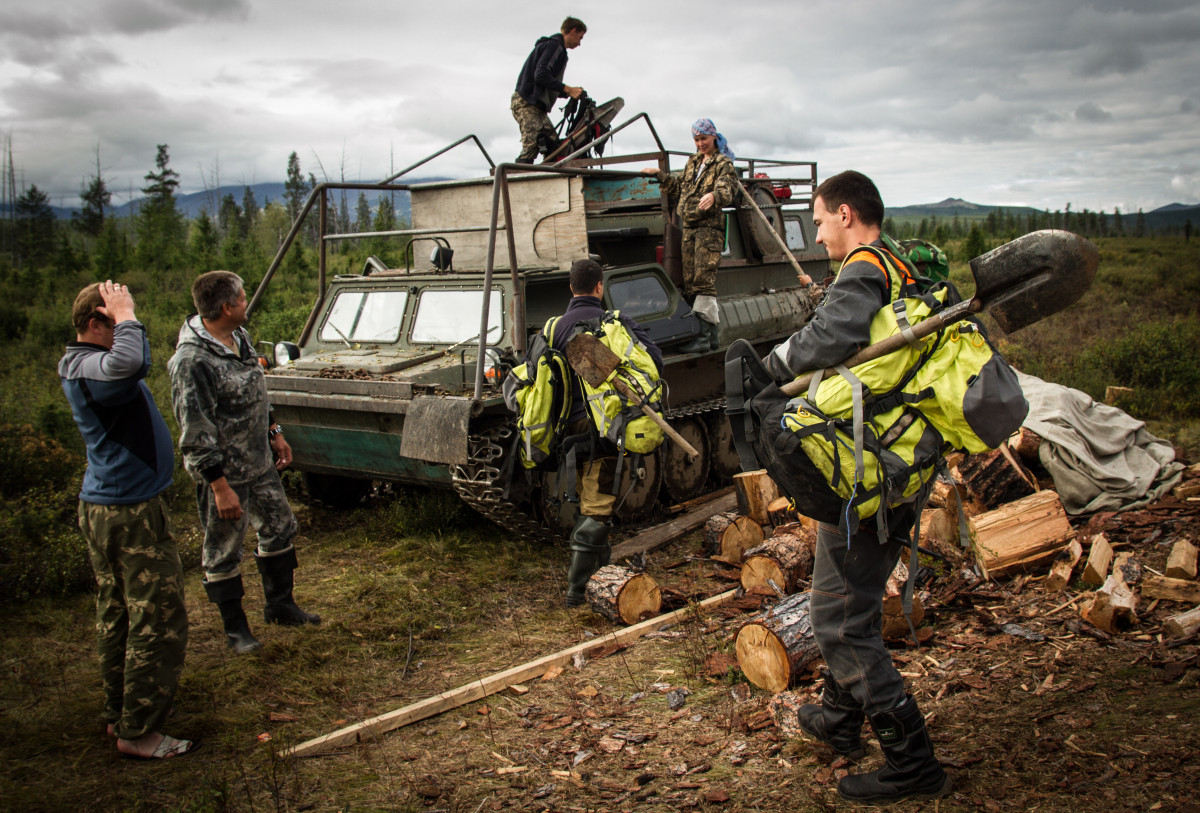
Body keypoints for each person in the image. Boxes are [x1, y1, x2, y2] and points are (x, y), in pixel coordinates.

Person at [763, 171, 952, 803]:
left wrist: (774, 364)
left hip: (875, 473)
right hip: (885, 466)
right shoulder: (899, 265)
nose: (816, 234)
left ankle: (913, 761)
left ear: (846, 213)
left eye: (818, 221)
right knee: (843, 593)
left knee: (839, 622)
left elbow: (833, 337)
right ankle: (840, 719)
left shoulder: (867, 266)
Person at [59, 281, 195, 760]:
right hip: (128, 512)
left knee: (119, 609)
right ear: (96, 324)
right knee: (156, 615)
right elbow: (133, 362)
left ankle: (120, 714)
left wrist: (124, 319)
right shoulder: (90, 367)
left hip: (114, 505)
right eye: (114, 325)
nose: (125, 332)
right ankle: (139, 731)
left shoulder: (83, 365)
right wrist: (127, 313)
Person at [169, 271, 320, 655]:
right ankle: (237, 632)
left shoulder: (238, 338)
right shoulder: (192, 360)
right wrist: (219, 487)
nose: (246, 302)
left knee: (280, 527)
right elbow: (195, 433)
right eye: (242, 298)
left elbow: (256, 388)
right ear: (226, 307)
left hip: (259, 462)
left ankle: (280, 606)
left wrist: (275, 431)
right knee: (223, 550)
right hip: (224, 475)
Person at [543, 259, 663, 606]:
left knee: (590, 502)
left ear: (570, 288)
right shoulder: (614, 322)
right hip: (604, 429)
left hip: (566, 432)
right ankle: (576, 592)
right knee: (598, 508)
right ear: (600, 287)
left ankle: (602, 574)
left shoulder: (553, 328)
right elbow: (653, 361)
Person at [642, 118, 739, 354]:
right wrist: (660, 175)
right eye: (696, 139)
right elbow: (679, 189)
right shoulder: (693, 162)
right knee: (689, 281)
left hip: (708, 231)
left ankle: (703, 337)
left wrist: (715, 195)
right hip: (689, 229)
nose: (700, 143)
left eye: (703, 139)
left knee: (703, 282)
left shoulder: (723, 164)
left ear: (713, 137)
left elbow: (728, 189)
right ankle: (711, 336)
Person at [512, 17, 587, 164]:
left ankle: (550, 175)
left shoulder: (556, 49)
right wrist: (567, 89)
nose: (579, 43)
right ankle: (513, 180)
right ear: (573, 31)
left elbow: (545, 82)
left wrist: (568, 93)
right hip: (527, 102)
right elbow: (541, 75)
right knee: (532, 143)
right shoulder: (554, 46)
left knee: (553, 145)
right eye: (580, 37)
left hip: (537, 106)